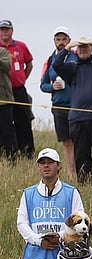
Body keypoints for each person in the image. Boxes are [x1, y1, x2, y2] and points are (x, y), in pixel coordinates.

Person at [16, 148, 84, 259]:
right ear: (38, 167)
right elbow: (22, 223)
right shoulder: (28, 193)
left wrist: (60, 237)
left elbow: (80, 221)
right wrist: (39, 241)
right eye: (42, 162)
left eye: (50, 162)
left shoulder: (71, 192)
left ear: (58, 166)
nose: (46, 166)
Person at [53, 37, 92, 183]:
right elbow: (57, 65)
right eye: (80, 47)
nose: (83, 49)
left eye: (86, 47)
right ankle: (86, 184)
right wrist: (68, 47)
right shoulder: (72, 67)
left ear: (91, 48)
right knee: (81, 155)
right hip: (77, 118)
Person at [40, 26, 77, 181]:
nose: (61, 42)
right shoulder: (50, 59)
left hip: (75, 105)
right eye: (58, 39)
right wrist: (52, 87)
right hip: (58, 105)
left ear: (69, 40)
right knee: (66, 142)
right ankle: (71, 173)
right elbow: (43, 84)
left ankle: (82, 171)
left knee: (79, 141)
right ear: (54, 41)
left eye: (64, 39)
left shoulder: (75, 56)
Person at [0, 19, 34, 159]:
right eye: (2, 29)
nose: (4, 32)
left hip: (18, 89)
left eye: (6, 29)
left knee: (24, 121)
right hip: (3, 92)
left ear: (12, 31)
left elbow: (29, 65)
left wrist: (21, 80)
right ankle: (8, 152)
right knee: (6, 123)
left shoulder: (21, 46)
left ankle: (27, 152)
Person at [0, 46, 17, 160]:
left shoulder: (3, 52)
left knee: (7, 131)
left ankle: (11, 158)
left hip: (4, 101)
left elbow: (7, 66)